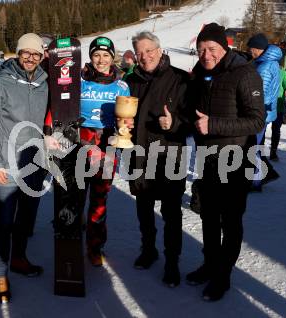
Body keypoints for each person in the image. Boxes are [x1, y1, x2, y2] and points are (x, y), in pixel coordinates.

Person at [186, 23, 265, 301]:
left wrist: (214, 125)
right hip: (208, 158)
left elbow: (257, 119)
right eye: (201, 49)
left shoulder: (245, 74)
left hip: (236, 159)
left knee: (230, 221)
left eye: (212, 49)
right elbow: (194, 114)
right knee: (208, 216)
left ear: (224, 47)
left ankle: (223, 276)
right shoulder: (200, 74)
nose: (206, 54)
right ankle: (209, 265)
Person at [125, 31, 189, 287]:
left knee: (171, 213)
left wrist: (175, 122)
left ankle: (172, 261)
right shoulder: (130, 81)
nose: (145, 56)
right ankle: (148, 249)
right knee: (143, 209)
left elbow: (192, 120)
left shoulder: (181, 79)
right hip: (139, 154)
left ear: (160, 50)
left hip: (169, 154)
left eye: (149, 50)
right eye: (139, 52)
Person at [0, 33, 47, 302]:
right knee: (3, 222)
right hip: (7, 164)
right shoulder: (0, 82)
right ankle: (0, 275)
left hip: (34, 163)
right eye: (26, 53)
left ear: (41, 56)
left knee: (26, 217)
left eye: (36, 54)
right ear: (18, 53)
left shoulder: (44, 83)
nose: (30, 58)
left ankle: (20, 258)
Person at [74, 37, 131, 266]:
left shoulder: (121, 85)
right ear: (90, 56)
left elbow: (125, 118)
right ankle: (70, 241)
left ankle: (95, 246)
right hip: (79, 145)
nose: (101, 60)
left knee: (99, 198)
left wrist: (125, 126)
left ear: (112, 57)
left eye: (106, 55)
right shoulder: (79, 80)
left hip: (106, 146)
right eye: (96, 54)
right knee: (75, 198)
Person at [247, 33, 282, 192]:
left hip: (259, 113)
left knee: (252, 148)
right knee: (256, 146)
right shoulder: (269, 63)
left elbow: (258, 92)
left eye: (251, 49)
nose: (250, 52)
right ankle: (262, 176)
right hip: (265, 113)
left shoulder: (265, 67)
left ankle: (255, 182)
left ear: (258, 49)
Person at [270, 65, 286, 161]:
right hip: (277, 106)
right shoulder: (282, 72)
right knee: (275, 130)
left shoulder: (263, 68)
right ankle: (273, 153)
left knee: (263, 130)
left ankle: (264, 153)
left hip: (269, 105)